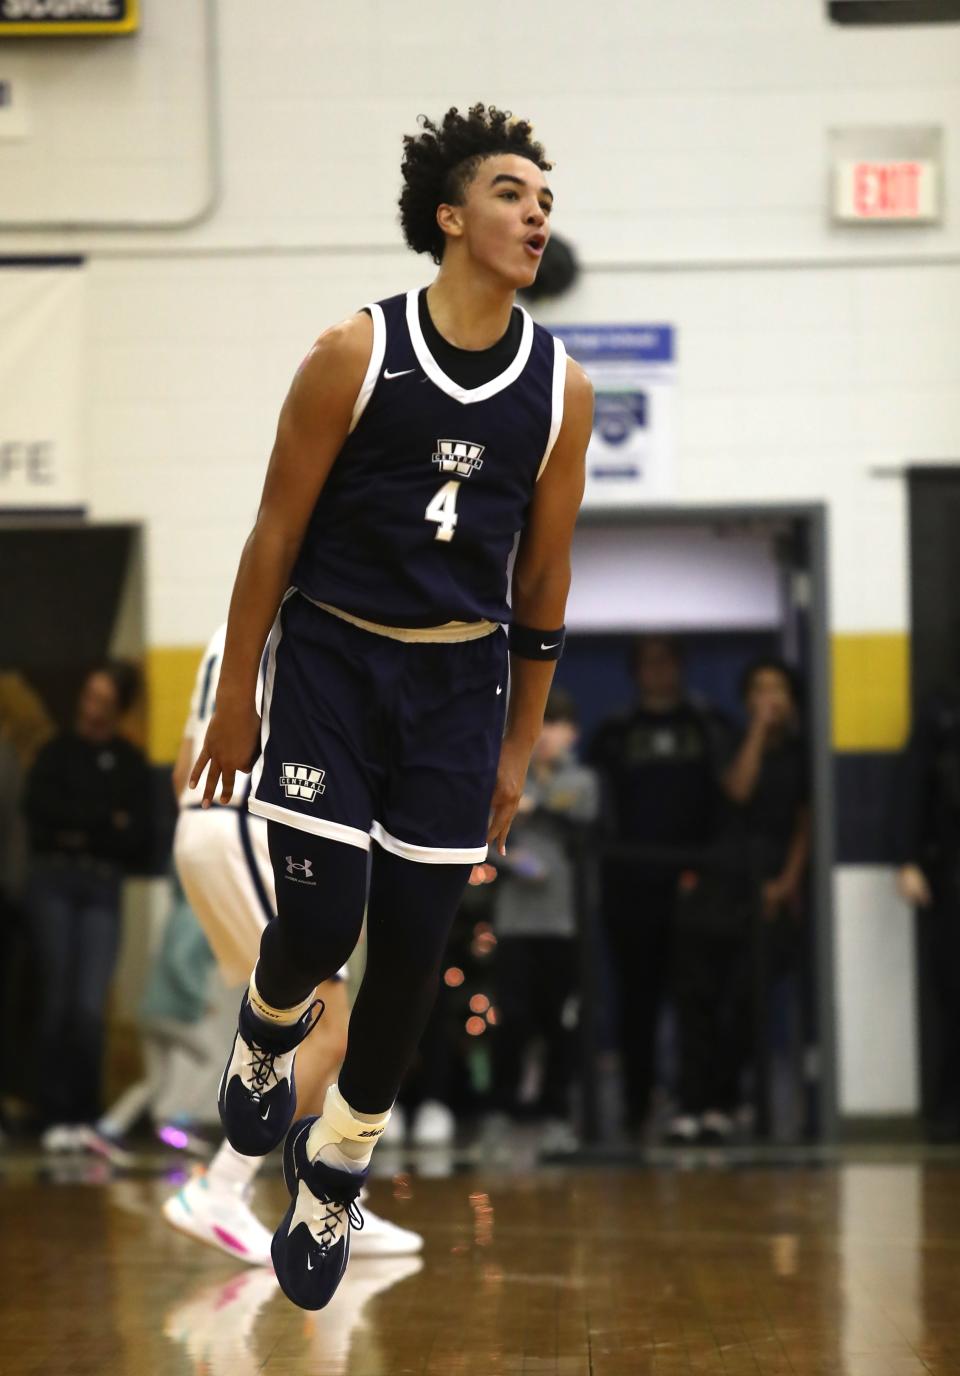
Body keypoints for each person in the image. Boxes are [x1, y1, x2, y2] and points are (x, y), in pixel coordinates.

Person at [190, 103, 592, 1311]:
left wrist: (518, 743)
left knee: (415, 955)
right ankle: (268, 1025)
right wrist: (231, 702)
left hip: (458, 684)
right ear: (451, 217)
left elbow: (545, 581)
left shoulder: (561, 389)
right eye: (515, 193)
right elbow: (274, 534)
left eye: (547, 199)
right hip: (330, 662)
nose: (537, 213)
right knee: (321, 925)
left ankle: (339, 1164)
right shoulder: (351, 354)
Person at [163, 624, 422, 1263]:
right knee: (326, 1028)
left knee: (302, 1023)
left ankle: (327, 1197)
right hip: (248, 823)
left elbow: (180, 764)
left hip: (207, 824)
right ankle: (222, 1189)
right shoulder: (319, 615)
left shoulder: (234, 621)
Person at [669, 656, 809, 1144]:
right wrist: (757, 732)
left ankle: (728, 1099)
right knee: (698, 997)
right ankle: (694, 1104)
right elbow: (737, 790)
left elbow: (805, 823)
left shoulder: (801, 753)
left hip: (769, 887)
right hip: (719, 882)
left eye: (777, 690)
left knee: (743, 1002)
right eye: (758, 689)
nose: (768, 698)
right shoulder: (729, 739)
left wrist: (787, 883)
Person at [589, 635, 720, 1136]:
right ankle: (636, 1106)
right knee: (636, 1003)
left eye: (666, 661)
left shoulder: (706, 727)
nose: (658, 672)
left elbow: (721, 805)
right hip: (630, 891)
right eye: (648, 663)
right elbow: (598, 813)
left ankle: (696, 1106)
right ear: (635, 672)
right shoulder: (615, 735)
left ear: (680, 667)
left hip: (696, 889)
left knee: (697, 1001)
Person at [23, 662, 152, 1142]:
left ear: (118, 708)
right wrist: (102, 821)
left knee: (88, 1005)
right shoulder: (56, 753)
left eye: (101, 699)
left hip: (101, 886)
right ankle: (53, 1113)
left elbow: (137, 837)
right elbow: (40, 816)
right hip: (54, 882)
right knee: (57, 999)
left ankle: (84, 1114)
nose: (89, 707)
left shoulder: (129, 762)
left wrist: (82, 826)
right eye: (88, 695)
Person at [489, 688, 598, 1148]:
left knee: (561, 1019)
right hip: (515, 920)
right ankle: (503, 1108)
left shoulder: (583, 782)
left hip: (565, 922)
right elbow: (488, 839)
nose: (549, 735)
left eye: (558, 726)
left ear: (572, 734)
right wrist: (518, 865)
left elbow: (586, 822)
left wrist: (542, 807)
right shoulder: (510, 777)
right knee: (512, 1016)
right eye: (542, 725)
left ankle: (556, 1109)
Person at [893, 689, 960, 1141]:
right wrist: (906, 859)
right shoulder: (941, 714)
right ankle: (951, 1106)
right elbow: (912, 784)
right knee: (953, 989)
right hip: (952, 869)